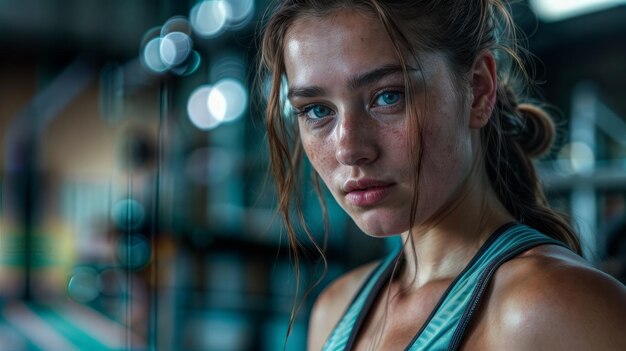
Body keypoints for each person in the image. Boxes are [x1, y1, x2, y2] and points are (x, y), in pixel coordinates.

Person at [258, 0, 626, 350]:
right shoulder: (334, 309)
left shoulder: (555, 309)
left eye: (388, 96)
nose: (348, 149)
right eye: (317, 110)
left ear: (479, 90)